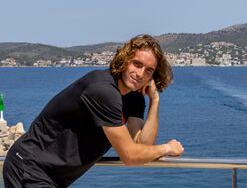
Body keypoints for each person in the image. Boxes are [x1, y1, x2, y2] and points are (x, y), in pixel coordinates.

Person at [3, 34, 184, 187]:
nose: (141, 74)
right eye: (137, 64)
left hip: (52, 176)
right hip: (29, 166)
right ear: (125, 60)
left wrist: (155, 100)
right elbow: (129, 155)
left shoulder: (134, 97)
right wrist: (167, 148)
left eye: (149, 70)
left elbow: (143, 146)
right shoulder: (102, 90)